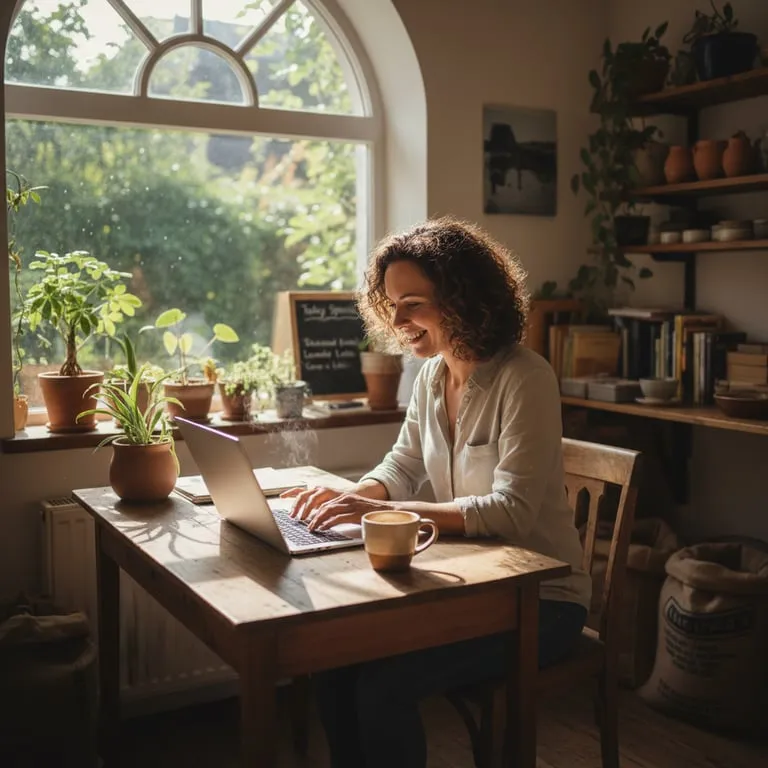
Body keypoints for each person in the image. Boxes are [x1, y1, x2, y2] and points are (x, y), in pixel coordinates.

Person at [285, 216, 591, 768]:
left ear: (463, 299)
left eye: (413, 304)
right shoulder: (430, 376)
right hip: (478, 588)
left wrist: (385, 509)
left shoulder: (525, 378)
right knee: (332, 662)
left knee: (383, 686)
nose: (397, 321)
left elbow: (513, 512)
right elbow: (402, 464)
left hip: (544, 603)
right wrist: (354, 497)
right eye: (392, 304)